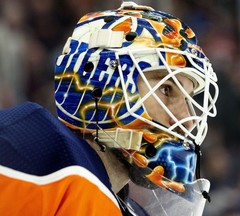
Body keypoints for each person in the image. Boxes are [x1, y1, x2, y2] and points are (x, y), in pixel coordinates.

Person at [0, 1, 219, 215]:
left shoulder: (127, 207)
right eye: (167, 90)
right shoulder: (33, 155)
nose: (188, 120)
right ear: (103, 85)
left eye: (188, 98)